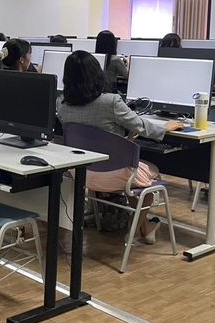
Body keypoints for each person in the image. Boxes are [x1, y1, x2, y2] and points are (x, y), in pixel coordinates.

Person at [57, 51, 183, 243]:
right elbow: (141, 126)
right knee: (150, 176)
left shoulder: (62, 104)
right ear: (96, 74)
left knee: (133, 172)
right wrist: (165, 127)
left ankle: (146, 229)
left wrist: (123, 140)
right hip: (116, 175)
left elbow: (89, 135)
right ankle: (133, 233)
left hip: (81, 173)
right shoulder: (111, 102)